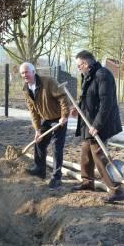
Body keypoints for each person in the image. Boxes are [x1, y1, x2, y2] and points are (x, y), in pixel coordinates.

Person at [71, 50, 124, 203]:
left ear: (86, 63)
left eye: (79, 65)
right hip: (90, 122)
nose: (78, 68)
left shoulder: (103, 75)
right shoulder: (88, 75)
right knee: (86, 153)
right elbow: (88, 98)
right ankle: (87, 182)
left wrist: (97, 125)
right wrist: (78, 109)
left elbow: (106, 103)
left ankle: (116, 189)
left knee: (99, 155)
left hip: (102, 123)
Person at [19, 62, 70, 190]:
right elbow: (33, 112)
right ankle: (40, 169)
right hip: (47, 119)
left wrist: (64, 115)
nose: (25, 75)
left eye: (27, 72)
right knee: (39, 142)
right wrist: (37, 130)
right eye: (22, 73)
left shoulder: (48, 82)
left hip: (59, 118)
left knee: (57, 146)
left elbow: (63, 97)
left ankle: (56, 177)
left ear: (33, 71)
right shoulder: (26, 89)